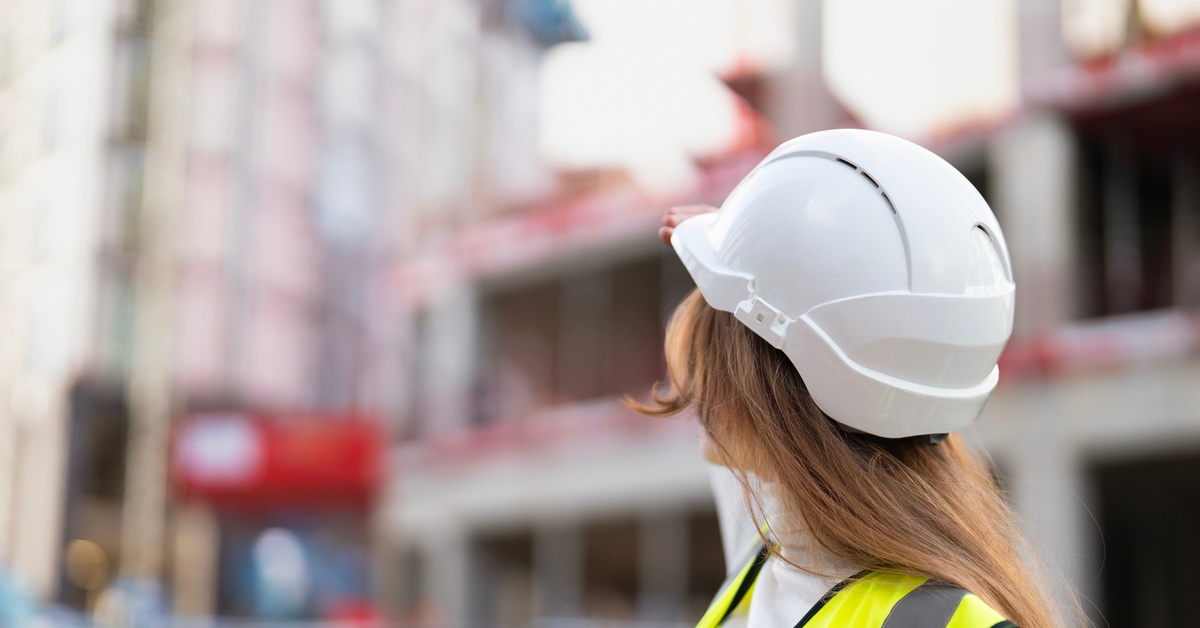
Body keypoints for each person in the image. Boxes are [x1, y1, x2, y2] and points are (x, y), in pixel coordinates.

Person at [632, 129, 1064, 627]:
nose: (698, 377)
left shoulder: (792, 565)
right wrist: (741, 250)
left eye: (721, 335)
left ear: (766, 382)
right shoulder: (782, 550)